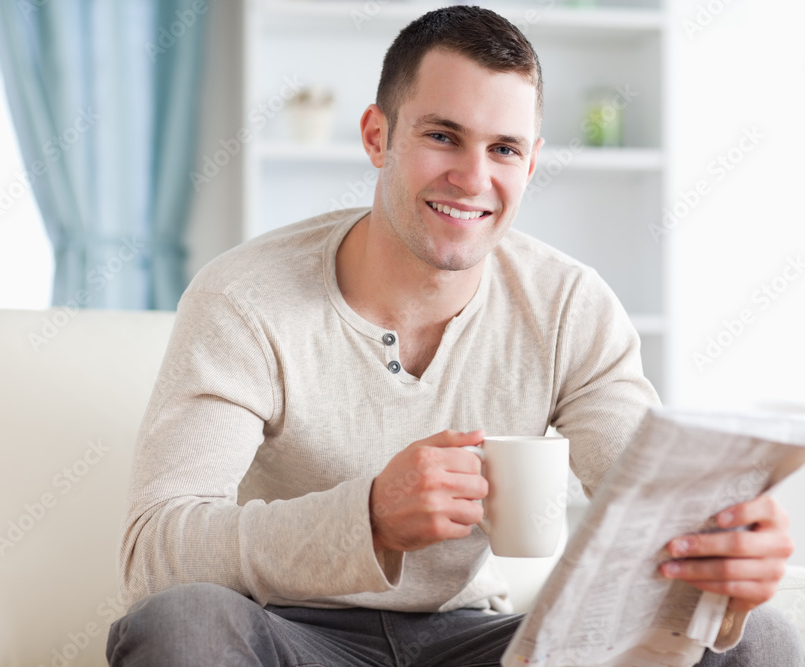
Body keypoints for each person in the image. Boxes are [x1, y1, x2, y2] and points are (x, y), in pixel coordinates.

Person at [107, 6, 802, 666]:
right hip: (290, 632)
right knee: (183, 620)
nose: (473, 179)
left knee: (757, 638)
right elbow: (156, 549)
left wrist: (723, 560)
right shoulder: (244, 298)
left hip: (474, 638)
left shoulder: (568, 306)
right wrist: (368, 516)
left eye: (503, 148)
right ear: (377, 136)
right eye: (442, 136)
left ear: (530, 164)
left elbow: (650, 509)